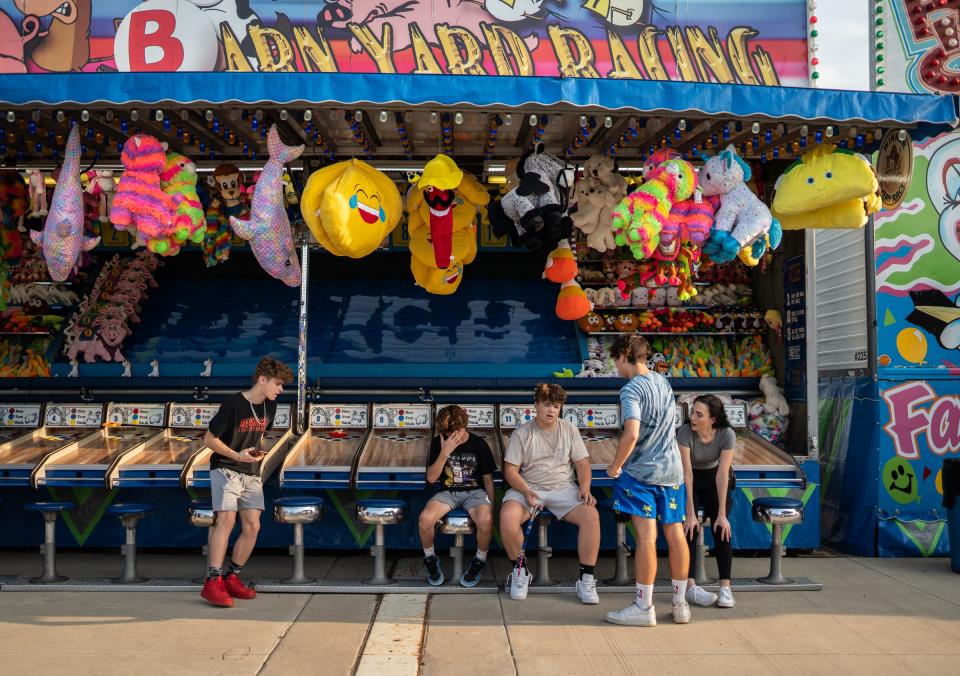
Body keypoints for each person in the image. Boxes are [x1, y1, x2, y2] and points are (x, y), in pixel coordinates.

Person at [605, 335, 691, 627]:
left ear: (625, 355)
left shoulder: (631, 390)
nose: (615, 366)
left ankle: (644, 607)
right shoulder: (662, 381)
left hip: (642, 474)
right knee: (675, 534)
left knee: (646, 538)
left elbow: (631, 433)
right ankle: (680, 604)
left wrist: (615, 466)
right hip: (673, 473)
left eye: (615, 359)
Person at [200, 356, 293, 608]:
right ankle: (212, 580)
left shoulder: (270, 407)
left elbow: (258, 434)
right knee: (226, 521)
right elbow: (209, 439)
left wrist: (256, 453)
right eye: (277, 384)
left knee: (252, 526)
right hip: (226, 469)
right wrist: (236, 455)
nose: (281, 390)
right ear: (262, 380)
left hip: (250, 471)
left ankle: (232, 576)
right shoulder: (233, 404)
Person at [501, 383, 600, 604]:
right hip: (529, 487)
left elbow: (582, 464)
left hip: (563, 488)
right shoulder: (522, 433)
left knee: (591, 516)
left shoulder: (569, 430)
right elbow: (510, 471)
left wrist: (585, 487)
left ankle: (586, 579)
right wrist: (526, 491)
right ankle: (520, 571)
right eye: (547, 405)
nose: (551, 411)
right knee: (508, 519)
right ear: (535, 405)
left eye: (556, 406)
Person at [419, 405, 497, 587]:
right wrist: (445, 452)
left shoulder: (479, 444)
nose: (455, 436)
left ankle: (479, 561)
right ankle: (430, 559)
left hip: (475, 493)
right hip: (448, 492)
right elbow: (431, 478)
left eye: (459, 431)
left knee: (486, 520)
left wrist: (492, 506)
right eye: (450, 433)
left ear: (465, 426)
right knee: (425, 519)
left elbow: (488, 480)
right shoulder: (438, 442)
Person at [679, 394, 737, 608]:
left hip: (713, 480)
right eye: (692, 412)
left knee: (722, 529)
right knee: (689, 529)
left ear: (712, 419)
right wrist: (690, 513)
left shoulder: (727, 434)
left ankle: (725, 588)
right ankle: (690, 587)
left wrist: (721, 515)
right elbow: (686, 474)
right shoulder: (685, 432)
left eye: (698, 414)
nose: (692, 417)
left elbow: (723, 474)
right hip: (690, 479)